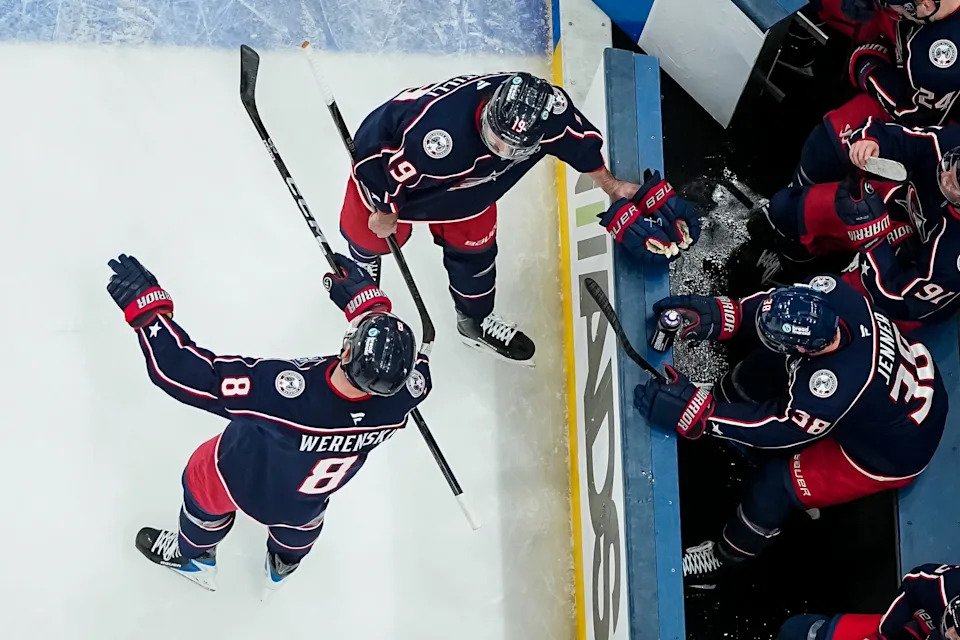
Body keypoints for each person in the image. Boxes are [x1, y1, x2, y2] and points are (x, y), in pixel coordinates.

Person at [105, 253, 431, 597]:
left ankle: (195, 557)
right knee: (298, 533)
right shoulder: (408, 393)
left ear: (347, 353)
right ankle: (281, 568)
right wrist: (369, 305)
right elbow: (416, 369)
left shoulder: (283, 396)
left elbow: (181, 372)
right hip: (306, 502)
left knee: (202, 489)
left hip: (236, 473)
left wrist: (148, 313)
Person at [340, 72, 697, 365]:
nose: (505, 153)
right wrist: (384, 211)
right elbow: (376, 168)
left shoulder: (547, 112)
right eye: (498, 143)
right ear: (490, 111)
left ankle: (474, 321)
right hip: (388, 173)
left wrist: (611, 184)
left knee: (476, 253)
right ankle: (363, 275)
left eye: (515, 150)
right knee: (373, 235)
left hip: (470, 192)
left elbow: (575, 139)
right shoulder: (435, 139)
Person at [635, 276, 947, 588]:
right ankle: (727, 409)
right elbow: (776, 304)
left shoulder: (830, 390)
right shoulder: (832, 293)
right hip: (896, 396)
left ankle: (722, 560)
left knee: (777, 484)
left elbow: (778, 429)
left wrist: (702, 415)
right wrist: (726, 313)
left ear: (806, 346)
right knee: (769, 360)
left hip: (890, 452)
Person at [795, 0, 960, 186]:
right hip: (896, 41)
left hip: (914, 107)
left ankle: (793, 200)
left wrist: (867, 68)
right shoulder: (921, 10)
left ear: (927, 5)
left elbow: (913, 114)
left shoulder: (937, 68)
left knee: (825, 147)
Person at [778, 563, 960, 639]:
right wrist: (889, 631)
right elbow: (917, 580)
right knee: (796, 631)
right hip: (914, 627)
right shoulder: (946, 586)